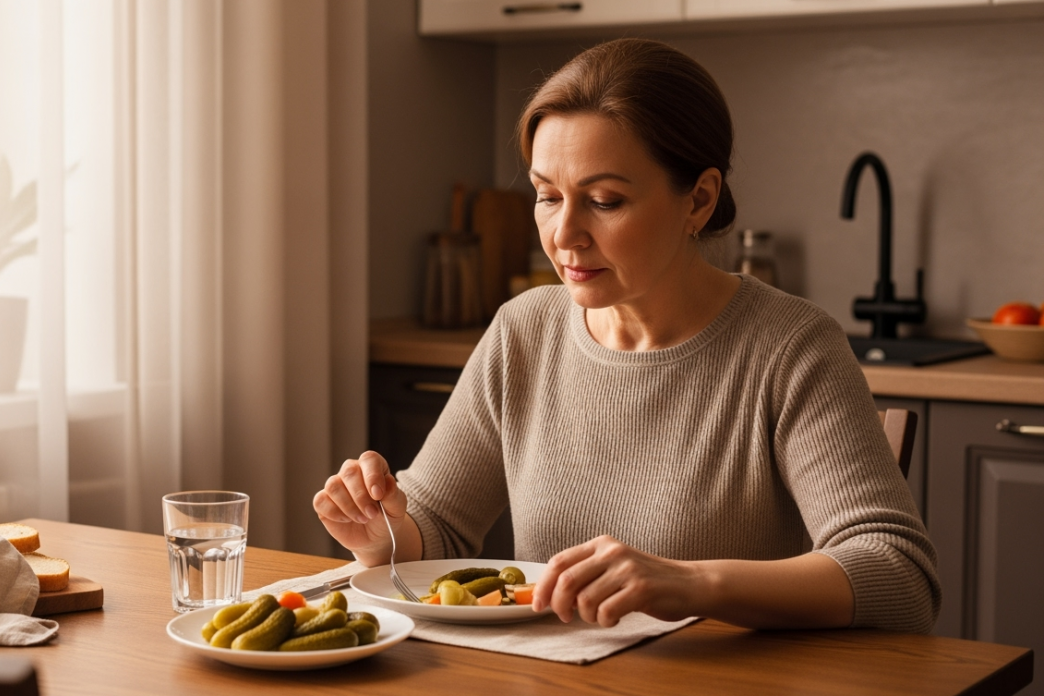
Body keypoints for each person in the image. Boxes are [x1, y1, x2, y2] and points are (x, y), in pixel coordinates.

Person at [313, 38, 939, 634]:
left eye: (605, 201)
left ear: (698, 200)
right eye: (546, 196)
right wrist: (384, 532)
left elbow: (899, 573)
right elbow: (439, 526)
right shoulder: (523, 331)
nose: (564, 235)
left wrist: (693, 585)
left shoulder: (791, 347)